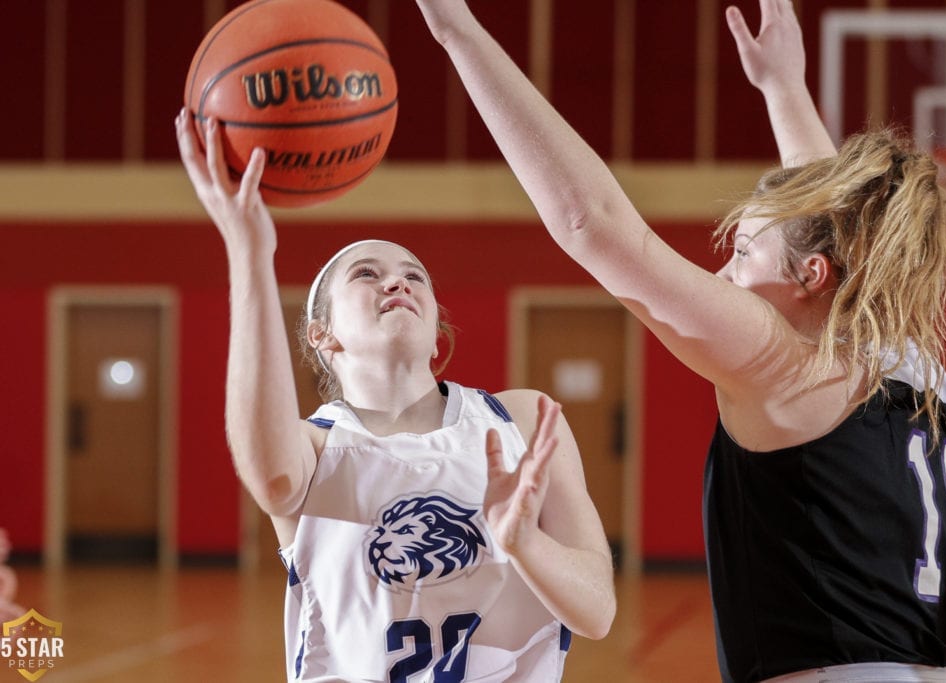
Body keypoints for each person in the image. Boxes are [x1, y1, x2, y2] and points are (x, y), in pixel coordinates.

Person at [413, 0, 946, 681]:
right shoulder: (913, 358)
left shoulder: (790, 366)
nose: (720, 272)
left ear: (810, 278)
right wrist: (783, 88)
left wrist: (457, 30)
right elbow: (839, 231)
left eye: (741, 252)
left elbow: (590, 221)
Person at [174, 107, 615, 681]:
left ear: (436, 336)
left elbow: (598, 612)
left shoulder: (523, 419)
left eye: (416, 275)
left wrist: (525, 541)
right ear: (322, 334)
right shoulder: (314, 449)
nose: (397, 280)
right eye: (366, 273)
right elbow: (268, 473)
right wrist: (250, 252)